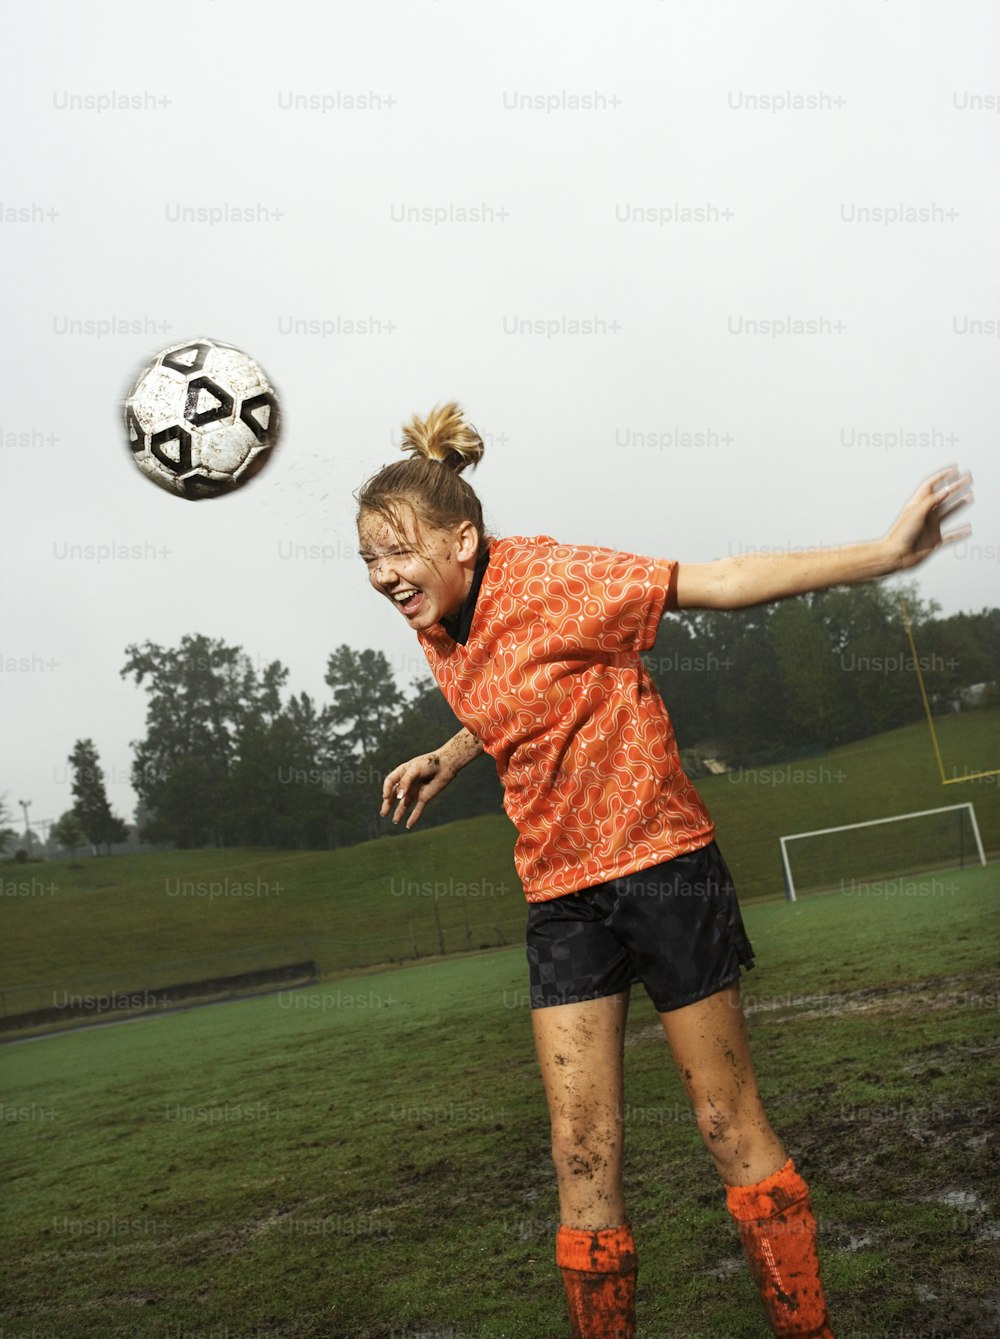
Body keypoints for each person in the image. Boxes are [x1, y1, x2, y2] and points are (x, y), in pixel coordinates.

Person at [353, 402, 972, 1339]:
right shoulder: (436, 616)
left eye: (397, 552)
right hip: (562, 895)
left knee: (726, 1125)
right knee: (581, 1151)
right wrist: (454, 750)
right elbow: (521, 684)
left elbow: (716, 581)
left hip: (662, 866)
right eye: (366, 558)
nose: (382, 576)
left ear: (464, 539)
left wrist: (882, 554)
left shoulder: (559, 573)